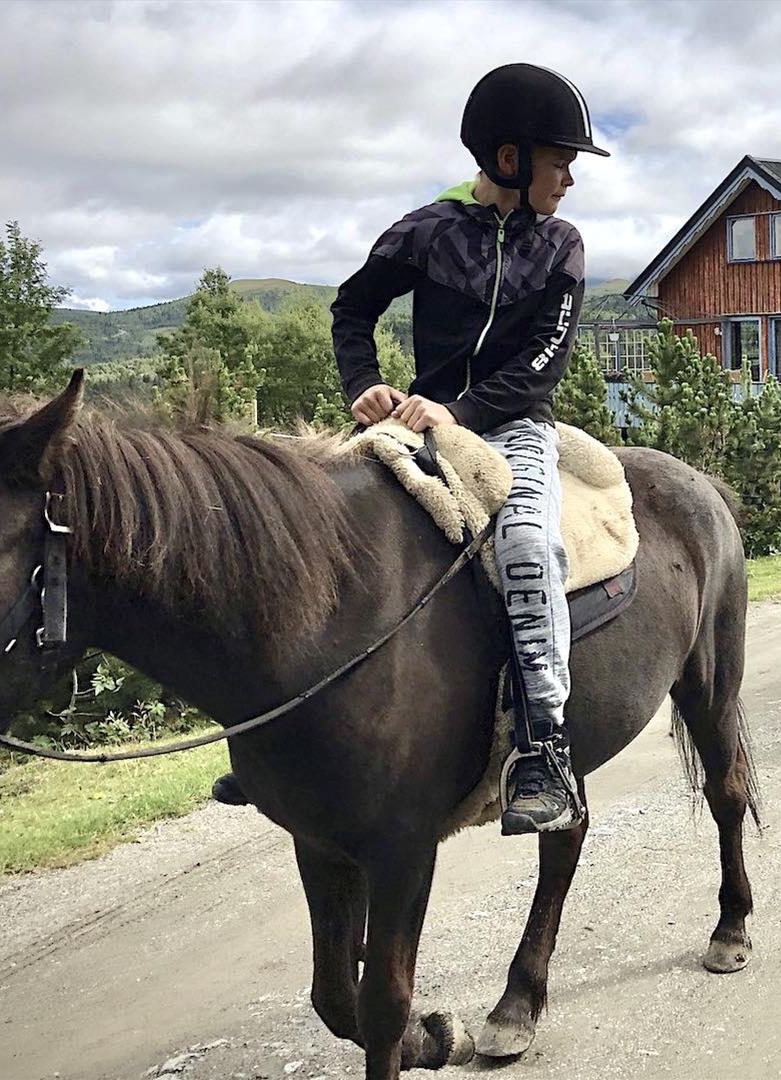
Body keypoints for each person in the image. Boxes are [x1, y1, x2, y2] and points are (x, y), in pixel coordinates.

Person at [209, 63, 608, 836]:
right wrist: (364, 383)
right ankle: (265, 739)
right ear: (508, 159)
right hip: (417, 421)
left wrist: (456, 410)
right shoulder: (425, 231)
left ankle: (544, 749)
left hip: (511, 425)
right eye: (560, 161)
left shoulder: (562, 245)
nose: (569, 178)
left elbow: (543, 365)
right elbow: (352, 309)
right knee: (301, 526)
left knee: (527, 547)